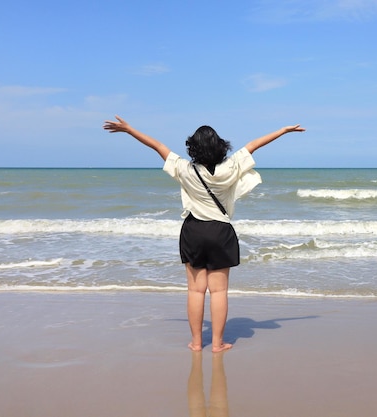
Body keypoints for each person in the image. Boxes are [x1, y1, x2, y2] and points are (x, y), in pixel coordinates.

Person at [103, 116, 305, 352]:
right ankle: (217, 344)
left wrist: (129, 130)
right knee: (219, 291)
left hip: (194, 230)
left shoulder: (184, 169)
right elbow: (255, 144)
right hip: (220, 231)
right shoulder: (231, 166)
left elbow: (157, 146)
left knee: (195, 290)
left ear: (193, 148)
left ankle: (197, 343)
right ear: (220, 146)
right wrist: (283, 130)